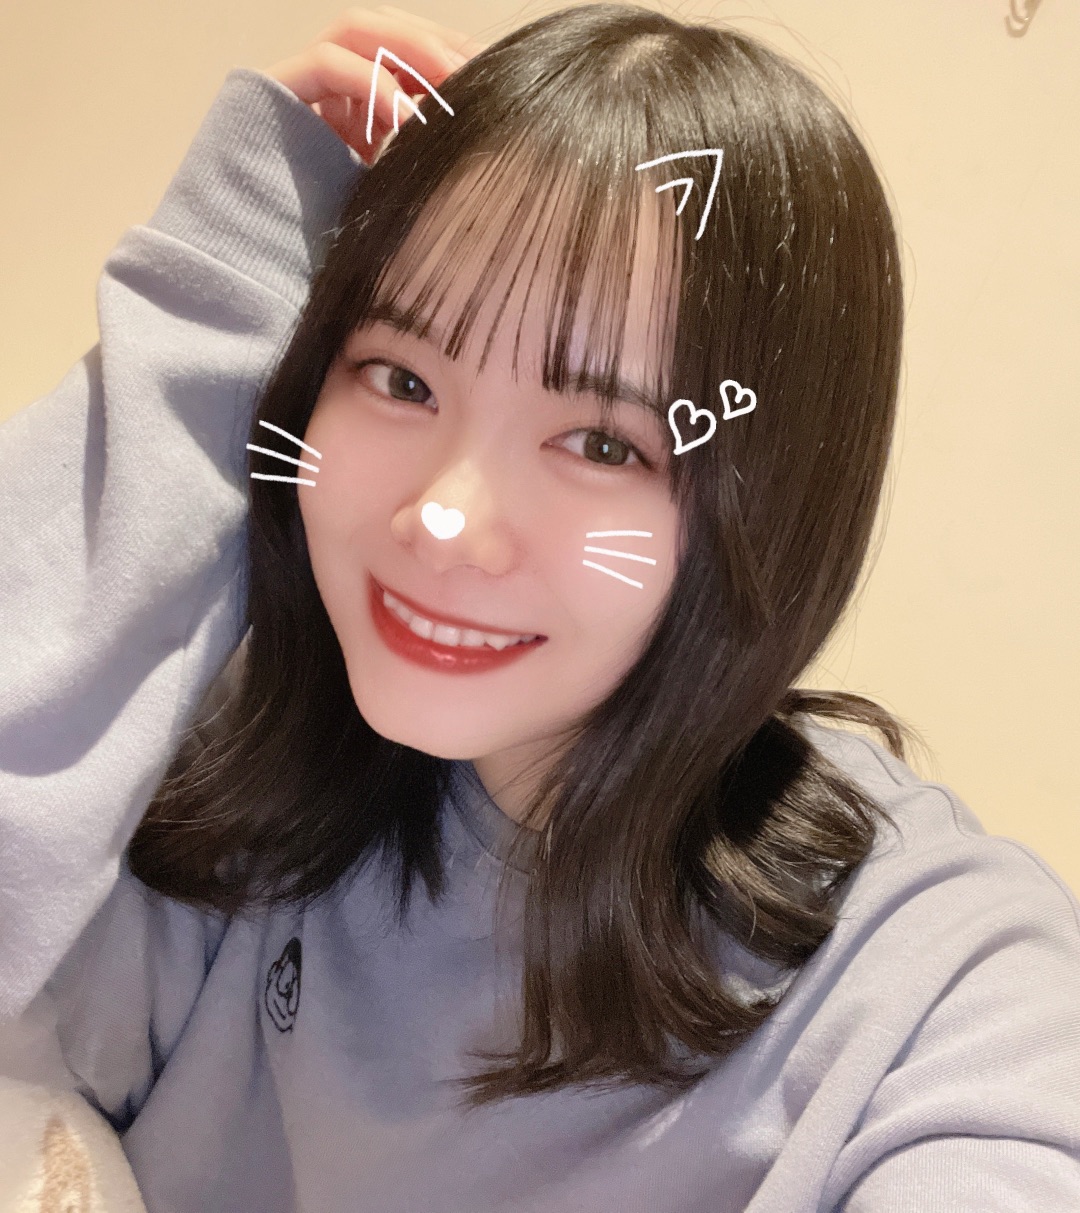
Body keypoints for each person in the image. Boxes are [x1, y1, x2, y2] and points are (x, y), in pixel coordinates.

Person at [1, 4, 1078, 1210]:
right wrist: (212, 292)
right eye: (400, 377)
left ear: (774, 504)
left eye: (603, 444)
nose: (441, 518)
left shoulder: (932, 985)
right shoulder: (250, 774)